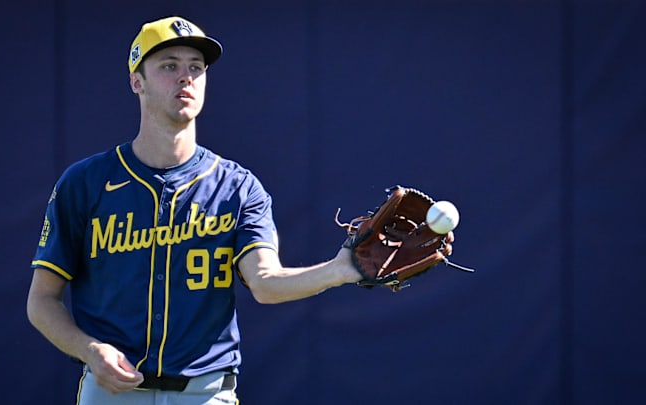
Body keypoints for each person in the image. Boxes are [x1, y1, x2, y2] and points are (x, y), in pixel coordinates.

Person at [27, 15, 452, 405]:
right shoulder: (85, 183)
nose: (186, 78)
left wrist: (342, 270)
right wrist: (88, 349)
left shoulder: (236, 186)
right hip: (111, 392)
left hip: (205, 393)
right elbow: (42, 301)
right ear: (137, 81)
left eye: (196, 66)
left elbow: (265, 283)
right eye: (169, 65)